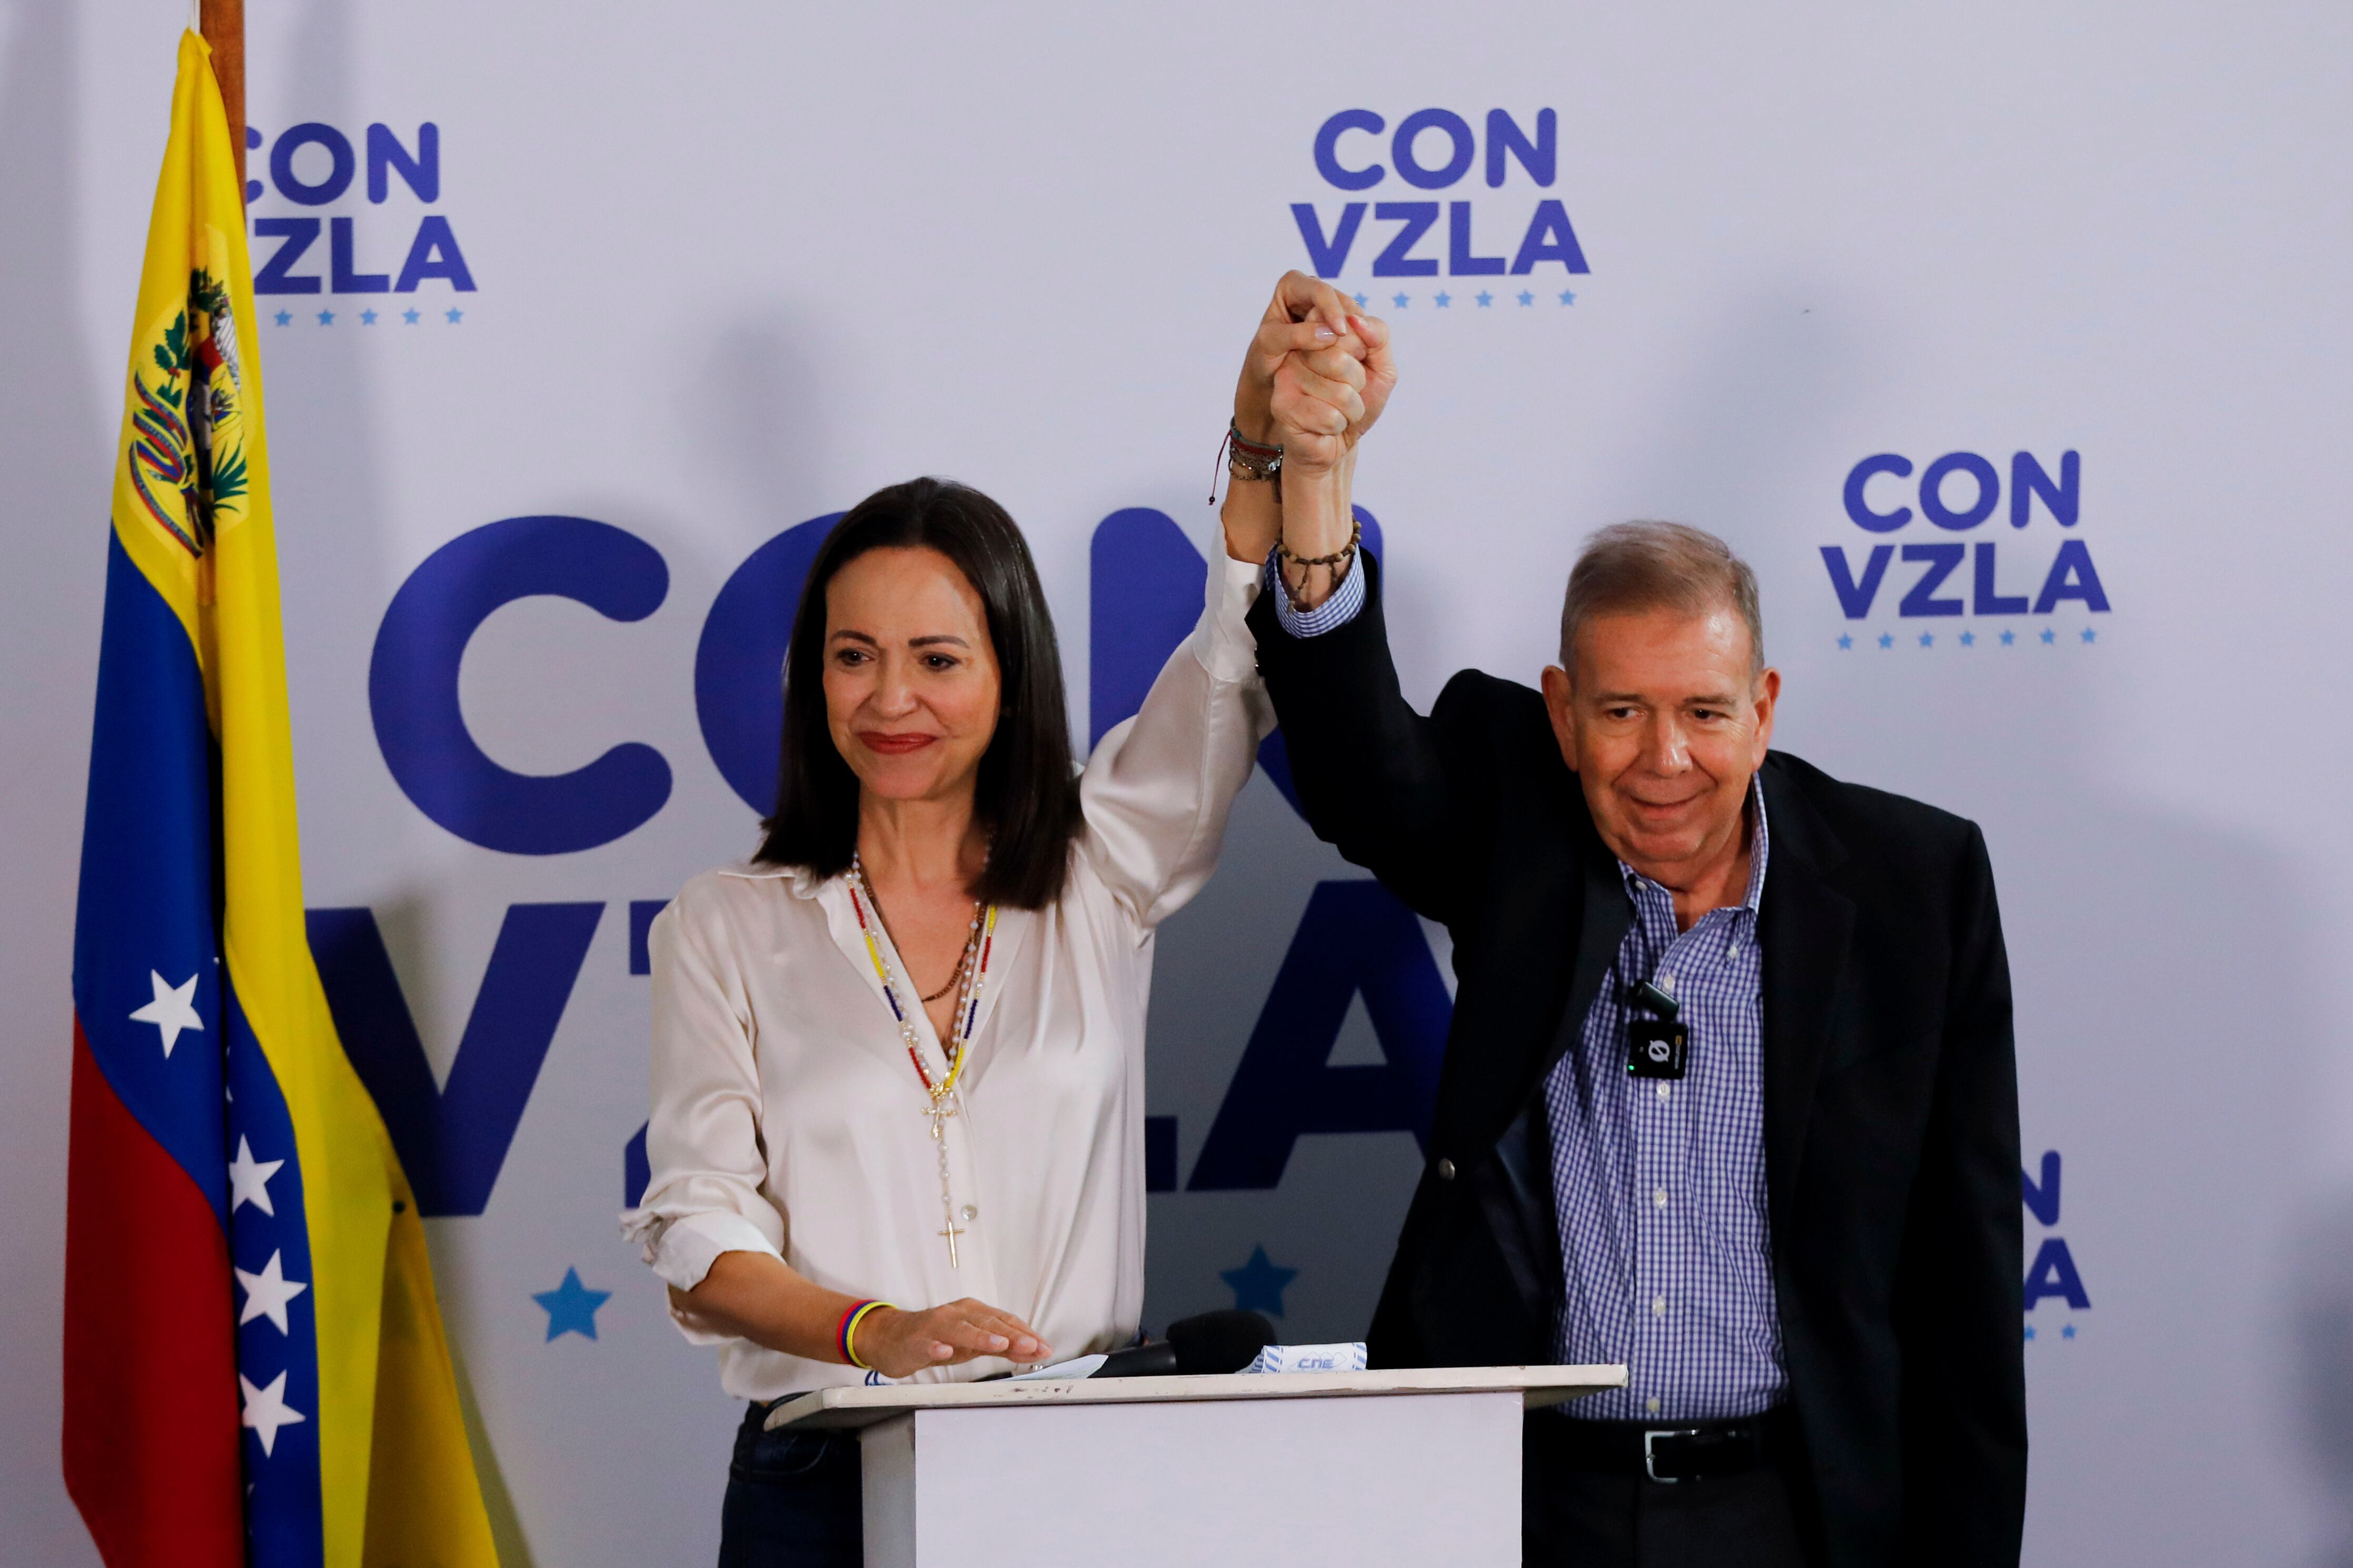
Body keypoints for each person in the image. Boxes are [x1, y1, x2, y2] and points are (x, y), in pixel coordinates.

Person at [1243, 271, 2026, 1567]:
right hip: (1530, 1507)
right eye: (1620, 712)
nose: (1664, 758)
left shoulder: (1914, 884)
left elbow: (1965, 1290)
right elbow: (1359, 768)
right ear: (1562, 711)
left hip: (1802, 1510)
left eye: (1705, 712)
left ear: (1764, 706)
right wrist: (1315, 480)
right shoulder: (1520, 819)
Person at [619, 290, 1357, 1567]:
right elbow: (697, 1236)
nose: (892, 697)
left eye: (938, 658)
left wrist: (1259, 452)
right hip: (821, 1480)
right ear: (813, 678)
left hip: (1072, 1470)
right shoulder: (725, 924)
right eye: (855, 656)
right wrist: (877, 1331)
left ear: (1010, 671)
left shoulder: (1102, 870)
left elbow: (1224, 672)